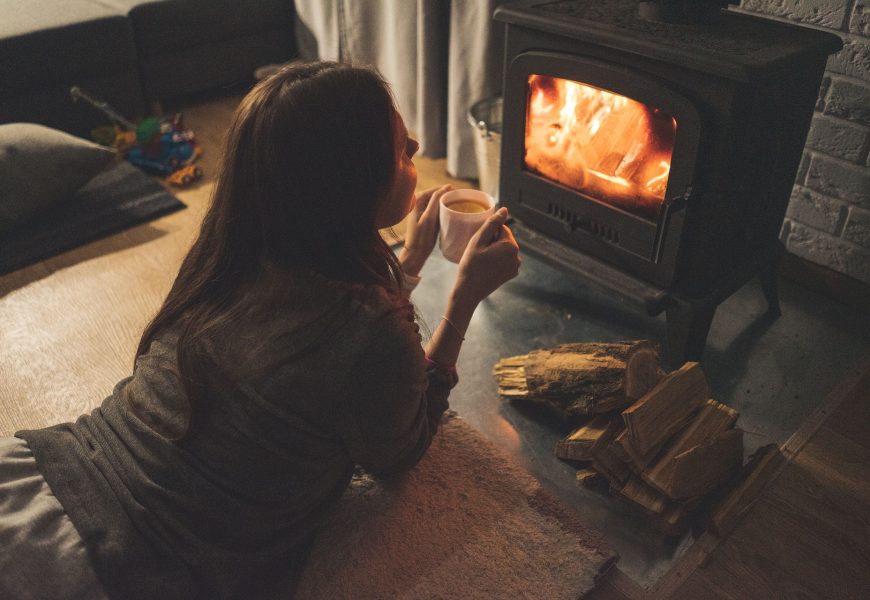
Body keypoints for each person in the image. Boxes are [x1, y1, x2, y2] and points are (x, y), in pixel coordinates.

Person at [0, 61, 520, 599]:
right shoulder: (371, 334)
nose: (414, 145)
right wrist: (462, 300)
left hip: (49, 474)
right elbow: (400, 452)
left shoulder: (230, 253)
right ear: (349, 182)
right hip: (116, 561)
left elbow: (331, 342)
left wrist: (407, 262)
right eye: (400, 149)